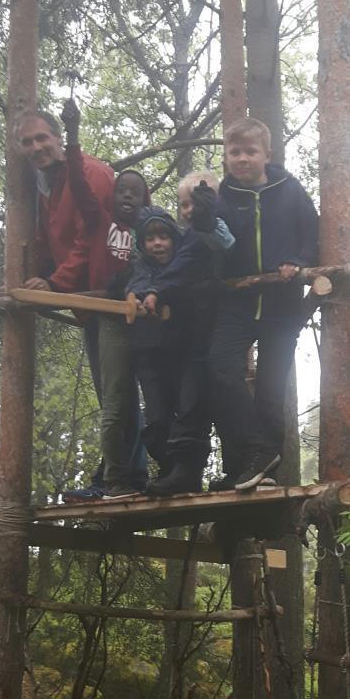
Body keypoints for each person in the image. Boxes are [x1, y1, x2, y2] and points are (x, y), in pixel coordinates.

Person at [208, 116, 319, 491]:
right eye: (234, 152)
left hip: (280, 303)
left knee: (272, 383)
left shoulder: (289, 189)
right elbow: (221, 246)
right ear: (226, 156)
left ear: (266, 154)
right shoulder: (225, 197)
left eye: (249, 151)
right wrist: (206, 223)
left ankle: (266, 454)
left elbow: (311, 230)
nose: (241, 159)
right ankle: (249, 452)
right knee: (221, 368)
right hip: (239, 300)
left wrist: (299, 261)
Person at [60, 99, 150, 499]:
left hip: (136, 321)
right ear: (112, 198)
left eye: (136, 193)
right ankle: (124, 476)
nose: (128, 197)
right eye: (122, 191)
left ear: (145, 201)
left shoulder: (151, 232)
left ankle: (119, 480)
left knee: (122, 401)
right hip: (100, 317)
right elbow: (79, 185)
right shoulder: (101, 221)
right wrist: (73, 135)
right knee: (113, 399)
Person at [127, 204, 234, 495]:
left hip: (186, 350)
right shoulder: (140, 269)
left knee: (190, 411)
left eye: (164, 236)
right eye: (150, 238)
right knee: (157, 417)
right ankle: (168, 470)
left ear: (175, 239)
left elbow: (181, 279)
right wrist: (137, 295)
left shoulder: (187, 266)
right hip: (150, 354)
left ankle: (187, 472)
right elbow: (138, 284)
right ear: (142, 243)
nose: (158, 243)